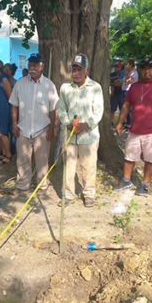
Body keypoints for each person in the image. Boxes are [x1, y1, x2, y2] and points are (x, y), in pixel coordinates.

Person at [114, 58, 152, 196]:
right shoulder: (135, 86)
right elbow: (126, 105)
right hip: (135, 129)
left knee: (150, 159)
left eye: (150, 68)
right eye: (144, 68)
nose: (147, 71)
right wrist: (119, 122)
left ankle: (145, 183)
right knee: (129, 156)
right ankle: (126, 180)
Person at [58, 53, 104, 207]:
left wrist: (86, 125)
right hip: (70, 135)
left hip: (88, 135)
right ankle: (68, 195)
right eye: (74, 69)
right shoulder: (65, 87)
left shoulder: (95, 87)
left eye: (80, 69)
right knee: (69, 166)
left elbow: (98, 111)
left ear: (87, 69)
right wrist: (68, 124)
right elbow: (62, 109)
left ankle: (89, 195)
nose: (76, 73)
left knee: (88, 165)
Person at [9, 54, 58, 192]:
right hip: (23, 129)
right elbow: (14, 105)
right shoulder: (20, 83)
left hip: (42, 130)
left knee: (42, 160)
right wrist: (14, 124)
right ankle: (22, 185)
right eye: (30, 65)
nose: (31, 68)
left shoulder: (49, 85)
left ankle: (42, 185)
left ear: (42, 66)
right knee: (22, 160)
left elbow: (53, 109)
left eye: (35, 65)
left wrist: (51, 129)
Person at [121, 58, 138, 128]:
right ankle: (126, 122)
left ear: (131, 65)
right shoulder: (128, 72)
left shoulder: (133, 73)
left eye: (126, 64)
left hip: (129, 91)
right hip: (124, 90)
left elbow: (127, 81)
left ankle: (130, 123)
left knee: (129, 108)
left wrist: (127, 75)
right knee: (125, 107)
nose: (124, 65)